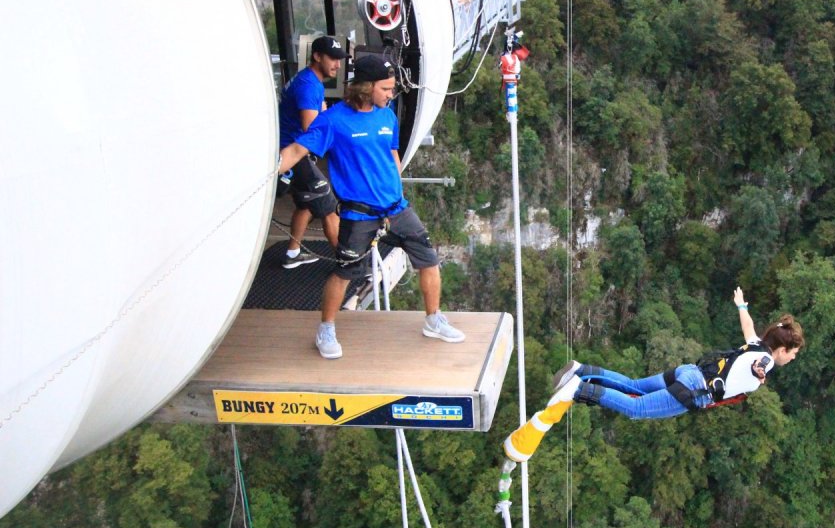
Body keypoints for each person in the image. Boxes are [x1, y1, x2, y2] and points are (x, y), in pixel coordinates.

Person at [278, 54, 465, 359]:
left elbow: (391, 152)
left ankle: (433, 319)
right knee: (346, 271)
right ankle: (325, 329)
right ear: (366, 88)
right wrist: (273, 169)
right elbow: (299, 148)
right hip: (359, 214)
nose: (391, 95)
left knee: (428, 258)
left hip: (396, 208)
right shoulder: (334, 121)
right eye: (386, 89)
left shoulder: (386, 115)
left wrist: (395, 185)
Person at [504, 288, 804, 461]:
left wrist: (741, 304)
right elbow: (758, 366)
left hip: (688, 373)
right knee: (636, 408)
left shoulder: (756, 344)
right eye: (792, 353)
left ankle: (583, 371)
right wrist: (761, 372)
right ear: (782, 349)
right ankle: (577, 390)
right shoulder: (764, 359)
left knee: (634, 386)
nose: (791, 359)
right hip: (693, 392)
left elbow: (748, 326)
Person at [277, 35, 343, 268]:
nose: (337, 64)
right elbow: (310, 129)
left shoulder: (310, 80)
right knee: (327, 204)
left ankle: (293, 254)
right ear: (316, 56)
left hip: (293, 148)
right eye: (332, 59)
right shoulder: (308, 86)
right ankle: (347, 263)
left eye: (339, 59)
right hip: (293, 152)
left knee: (306, 204)